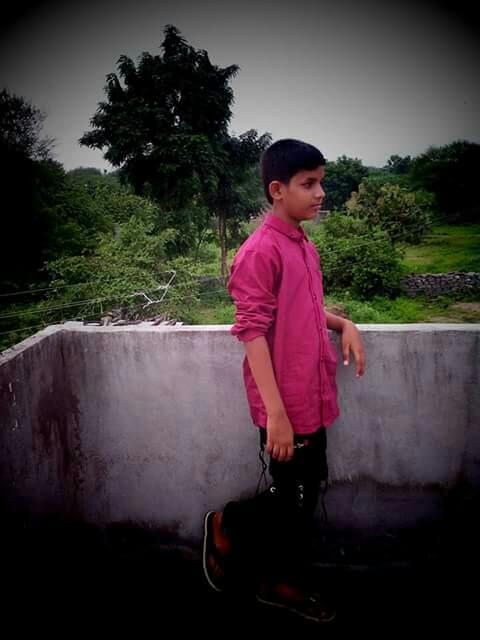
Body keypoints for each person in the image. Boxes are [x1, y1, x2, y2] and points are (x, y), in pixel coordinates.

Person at [202, 138, 366, 624]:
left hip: (313, 396)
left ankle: (275, 577)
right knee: (291, 497)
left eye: (321, 183)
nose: (320, 193)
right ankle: (232, 531)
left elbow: (307, 310)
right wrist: (275, 414)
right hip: (284, 404)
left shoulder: (302, 244)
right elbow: (251, 332)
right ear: (277, 190)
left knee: (303, 495)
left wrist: (344, 323)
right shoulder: (260, 251)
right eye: (308, 184)